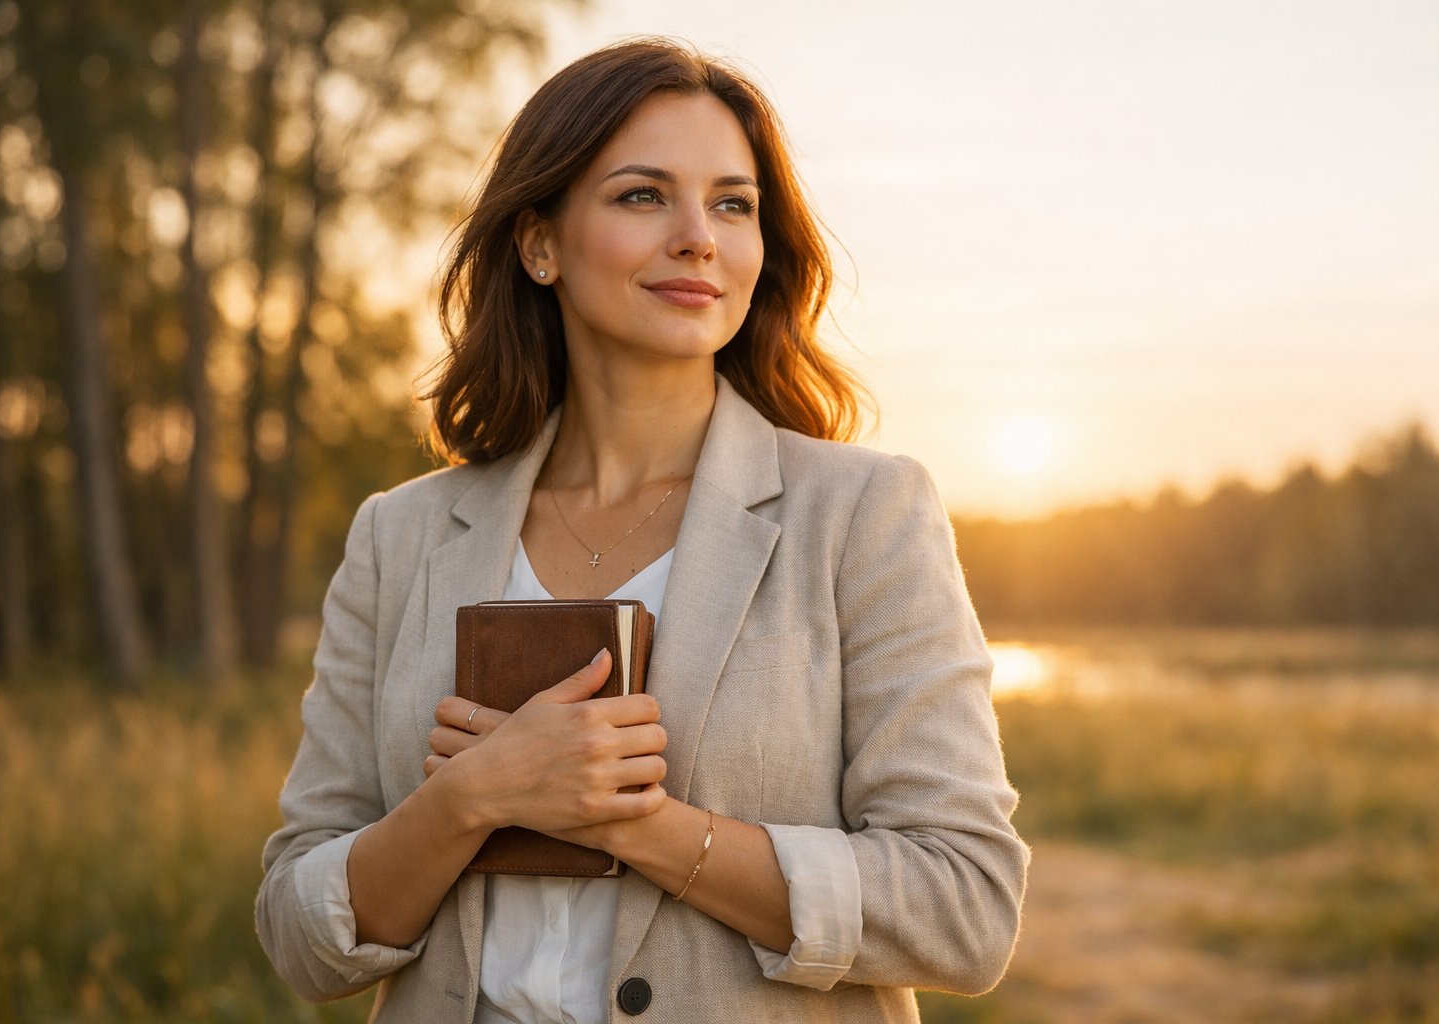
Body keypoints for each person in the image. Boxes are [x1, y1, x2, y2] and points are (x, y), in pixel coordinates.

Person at [256, 38, 1027, 1023]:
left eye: (733, 203)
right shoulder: (396, 536)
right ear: (539, 245)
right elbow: (296, 930)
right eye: (642, 195)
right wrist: (469, 799)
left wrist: (643, 824)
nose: (699, 236)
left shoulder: (866, 514)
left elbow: (965, 907)